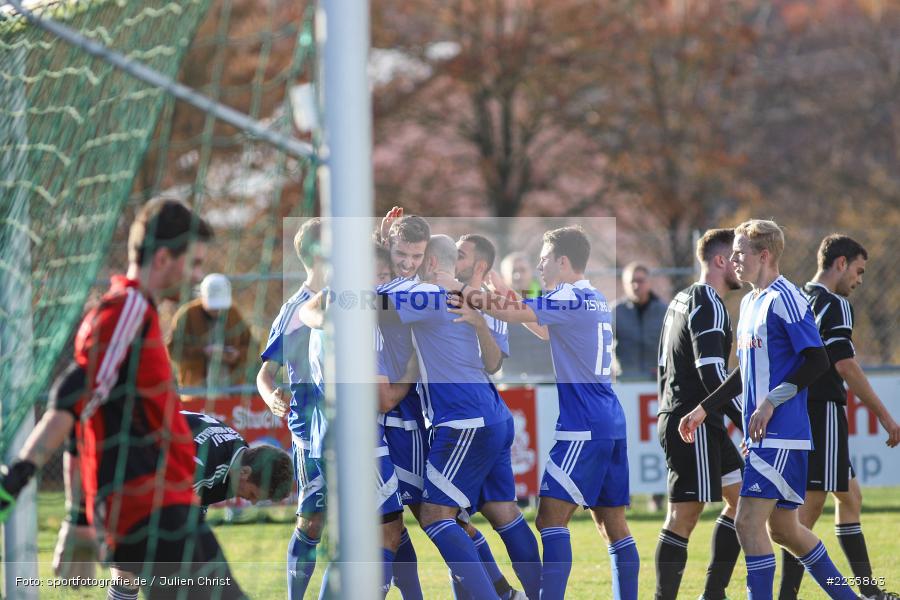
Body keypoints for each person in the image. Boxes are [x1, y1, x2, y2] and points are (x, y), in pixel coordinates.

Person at [0, 198, 246, 600]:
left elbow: (88, 415)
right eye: (195, 263)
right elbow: (74, 396)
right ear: (165, 257)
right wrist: (21, 475)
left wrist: (78, 516)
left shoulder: (134, 312)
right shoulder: (128, 308)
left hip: (154, 509)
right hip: (154, 511)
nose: (197, 275)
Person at [438, 226, 640, 600]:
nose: (540, 267)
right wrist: (508, 296)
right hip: (610, 418)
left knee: (549, 518)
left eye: (544, 260)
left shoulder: (566, 295)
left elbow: (511, 314)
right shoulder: (592, 295)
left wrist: (456, 285)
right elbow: (545, 331)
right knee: (613, 524)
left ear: (563, 261)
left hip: (584, 425)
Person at [679, 219, 859, 600]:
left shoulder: (786, 297)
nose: (733, 260)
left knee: (746, 522)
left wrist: (772, 400)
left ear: (764, 255)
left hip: (783, 434)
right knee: (784, 531)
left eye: (740, 253)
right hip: (763, 437)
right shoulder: (749, 301)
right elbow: (745, 371)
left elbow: (817, 360)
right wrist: (703, 408)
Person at [380, 235, 542, 600]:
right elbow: (494, 362)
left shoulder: (429, 295)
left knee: (437, 516)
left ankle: (494, 596)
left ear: (432, 263)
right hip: (493, 415)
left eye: (420, 259)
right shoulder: (477, 299)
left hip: (463, 421)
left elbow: (374, 303)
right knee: (503, 513)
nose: (413, 265)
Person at [778, 235, 900, 600]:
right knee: (807, 512)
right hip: (823, 410)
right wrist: (885, 416)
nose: (859, 280)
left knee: (849, 497)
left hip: (801, 407)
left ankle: (867, 590)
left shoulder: (798, 297)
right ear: (841, 263)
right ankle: (789, 595)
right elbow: (845, 365)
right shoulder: (835, 303)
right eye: (859, 271)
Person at [655, 228, 745, 600]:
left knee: (744, 502)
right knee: (683, 517)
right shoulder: (707, 301)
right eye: (737, 257)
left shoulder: (683, 297)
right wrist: (750, 421)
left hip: (698, 420)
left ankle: (713, 593)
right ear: (721, 261)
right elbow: (712, 375)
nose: (742, 264)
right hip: (690, 422)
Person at [256, 217, 328, 600]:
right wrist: (270, 396)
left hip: (351, 423)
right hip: (311, 430)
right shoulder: (294, 311)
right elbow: (265, 373)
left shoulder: (348, 295)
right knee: (313, 521)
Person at [167, 273, 253, 394]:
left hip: (231, 389)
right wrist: (203, 352)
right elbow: (172, 350)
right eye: (214, 306)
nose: (217, 310)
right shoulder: (187, 315)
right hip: (196, 389)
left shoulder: (234, 314)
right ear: (202, 297)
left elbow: (252, 348)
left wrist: (237, 355)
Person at [497, 250, 555, 381]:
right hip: (511, 378)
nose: (518, 275)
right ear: (504, 276)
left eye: (522, 270)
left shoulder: (547, 299)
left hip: (547, 377)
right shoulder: (496, 305)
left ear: (531, 272)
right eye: (513, 271)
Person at [613, 261, 667, 379]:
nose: (636, 285)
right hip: (625, 381)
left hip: (657, 380)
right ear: (624, 284)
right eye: (632, 281)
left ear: (649, 283)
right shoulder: (615, 312)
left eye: (640, 281)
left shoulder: (665, 311)